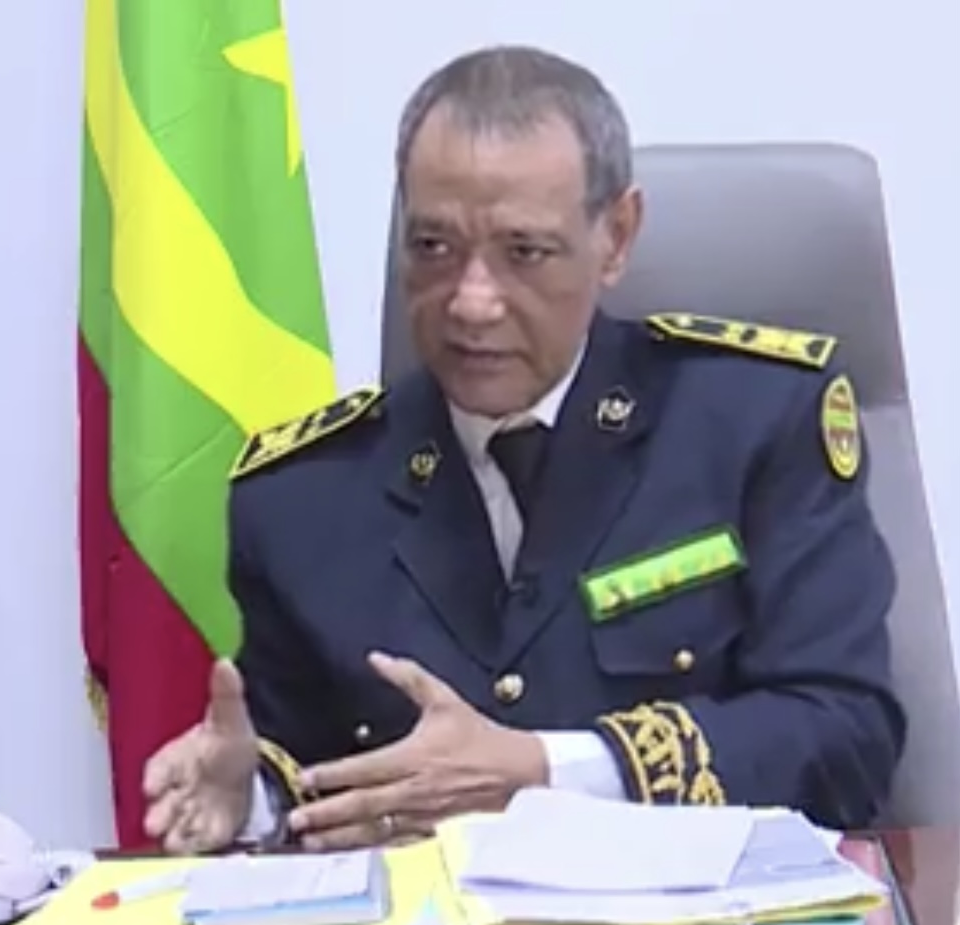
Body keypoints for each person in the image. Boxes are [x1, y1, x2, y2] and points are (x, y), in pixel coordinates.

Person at [140, 45, 907, 855]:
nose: (471, 303)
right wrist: (249, 800)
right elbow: (304, 770)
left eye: (523, 253)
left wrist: (546, 773)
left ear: (615, 237)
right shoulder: (301, 497)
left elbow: (845, 735)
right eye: (433, 247)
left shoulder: (752, 425)